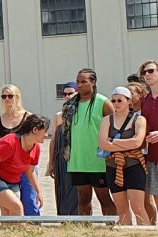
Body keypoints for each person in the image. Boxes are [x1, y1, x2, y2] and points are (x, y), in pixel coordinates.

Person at [63, 69, 117, 217]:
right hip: (77, 160)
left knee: (104, 198)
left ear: (93, 82)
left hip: (98, 160)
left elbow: (115, 129)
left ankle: (112, 228)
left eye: (83, 82)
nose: (79, 85)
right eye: (78, 81)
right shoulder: (70, 104)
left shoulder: (103, 102)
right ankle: (86, 229)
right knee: (83, 199)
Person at [0, 114, 49, 216]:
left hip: (12, 182)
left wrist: (38, 191)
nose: (47, 135)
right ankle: (19, 232)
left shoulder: (36, 148)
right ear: (35, 130)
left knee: (8, 212)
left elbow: (30, 171)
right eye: (45, 131)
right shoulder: (10, 142)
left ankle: (8, 231)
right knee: (17, 207)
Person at [98, 87, 149, 225]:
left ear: (129, 102)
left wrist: (113, 141)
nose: (116, 103)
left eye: (120, 100)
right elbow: (102, 144)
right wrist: (127, 143)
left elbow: (137, 142)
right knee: (121, 209)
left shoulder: (139, 119)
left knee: (138, 207)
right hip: (113, 166)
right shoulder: (107, 120)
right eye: (113, 100)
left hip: (134, 166)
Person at [45, 83, 80, 216]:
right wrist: (51, 163)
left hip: (76, 158)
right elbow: (53, 140)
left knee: (76, 191)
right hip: (60, 159)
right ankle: (64, 218)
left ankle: (78, 218)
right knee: (62, 190)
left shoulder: (81, 114)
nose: (66, 96)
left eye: (70, 93)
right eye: (64, 94)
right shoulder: (58, 116)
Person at [127, 80, 157, 224]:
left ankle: (151, 225)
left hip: (149, 155)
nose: (128, 96)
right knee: (139, 196)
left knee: (148, 196)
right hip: (132, 157)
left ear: (140, 95)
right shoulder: (125, 112)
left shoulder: (147, 111)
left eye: (131, 93)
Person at [140, 60, 158, 221]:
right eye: (144, 72)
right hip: (152, 156)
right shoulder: (145, 100)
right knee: (157, 195)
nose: (147, 74)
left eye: (151, 71)